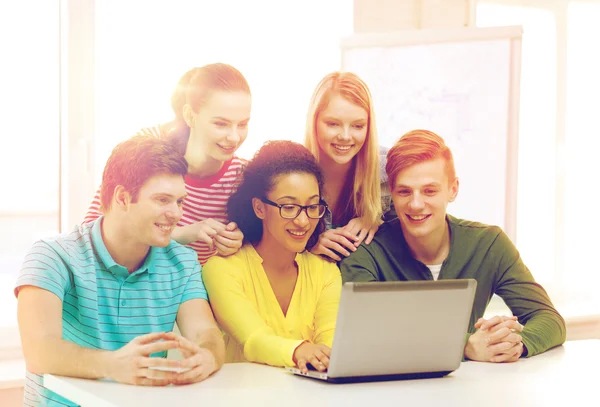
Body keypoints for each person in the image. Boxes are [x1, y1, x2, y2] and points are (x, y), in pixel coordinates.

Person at [16, 135, 225, 407]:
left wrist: (208, 356)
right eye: (163, 200)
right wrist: (113, 365)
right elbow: (39, 351)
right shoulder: (52, 255)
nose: (176, 214)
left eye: (180, 201)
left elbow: (205, 333)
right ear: (123, 197)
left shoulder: (183, 262)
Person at [340, 129, 566, 362]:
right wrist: (465, 345)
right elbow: (366, 335)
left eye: (430, 191)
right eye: (404, 191)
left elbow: (548, 318)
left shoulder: (489, 244)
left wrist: (513, 345)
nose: (416, 204)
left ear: (453, 189)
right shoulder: (364, 251)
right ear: (392, 195)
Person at [83, 63, 252, 265]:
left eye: (242, 124)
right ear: (190, 116)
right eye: (220, 124)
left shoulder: (244, 177)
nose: (234, 137)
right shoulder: (147, 153)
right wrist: (181, 234)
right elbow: (91, 232)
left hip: (192, 289)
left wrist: (238, 245)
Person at [202, 140, 342, 374]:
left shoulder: (326, 271)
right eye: (289, 207)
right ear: (259, 208)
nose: (303, 221)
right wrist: (299, 351)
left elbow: (331, 343)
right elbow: (253, 340)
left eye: (312, 206)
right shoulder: (221, 269)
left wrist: (322, 356)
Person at [304, 71, 390, 262]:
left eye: (358, 126)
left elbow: (415, 223)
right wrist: (307, 244)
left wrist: (377, 223)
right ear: (314, 122)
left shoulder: (388, 169)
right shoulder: (289, 172)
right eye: (333, 124)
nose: (345, 136)